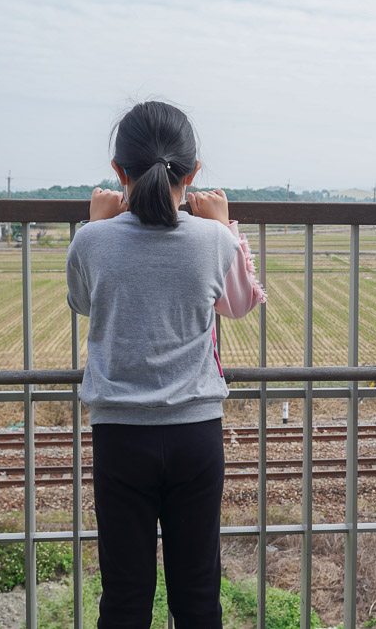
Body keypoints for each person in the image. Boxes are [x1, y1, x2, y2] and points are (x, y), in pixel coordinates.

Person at [66, 100, 266, 628]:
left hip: (120, 435)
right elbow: (241, 305)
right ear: (193, 173)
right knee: (198, 594)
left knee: (126, 597)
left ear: (118, 172)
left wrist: (94, 224)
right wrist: (228, 226)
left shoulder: (92, 240)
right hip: (196, 432)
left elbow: (85, 302)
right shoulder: (214, 240)